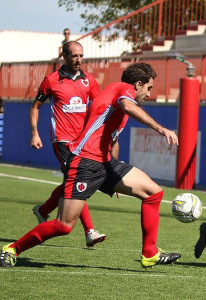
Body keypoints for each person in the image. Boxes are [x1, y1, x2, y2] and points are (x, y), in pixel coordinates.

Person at [0, 62, 181, 269]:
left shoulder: (119, 98)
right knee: (64, 225)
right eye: (149, 88)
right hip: (86, 162)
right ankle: (11, 249)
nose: (149, 94)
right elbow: (128, 107)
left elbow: (112, 139)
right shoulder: (124, 90)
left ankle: (150, 253)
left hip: (105, 163)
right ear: (138, 84)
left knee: (153, 193)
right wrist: (161, 129)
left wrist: (116, 174)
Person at [30, 40, 105, 247]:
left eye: (81, 56)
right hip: (62, 140)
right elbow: (36, 106)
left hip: (83, 142)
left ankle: (43, 210)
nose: (79, 59)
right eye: (74, 56)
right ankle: (90, 231)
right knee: (79, 182)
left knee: (70, 185)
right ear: (64, 56)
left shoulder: (89, 81)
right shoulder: (52, 80)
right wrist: (35, 133)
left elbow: (98, 109)